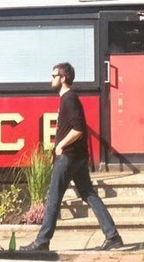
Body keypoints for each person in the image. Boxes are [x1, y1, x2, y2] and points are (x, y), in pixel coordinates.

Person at [20, 62, 123, 252]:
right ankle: (113, 236)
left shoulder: (69, 99)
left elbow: (78, 130)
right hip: (78, 157)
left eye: (54, 76)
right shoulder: (67, 99)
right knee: (89, 194)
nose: (51, 79)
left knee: (53, 197)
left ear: (63, 78)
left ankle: (42, 241)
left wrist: (60, 145)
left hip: (69, 157)